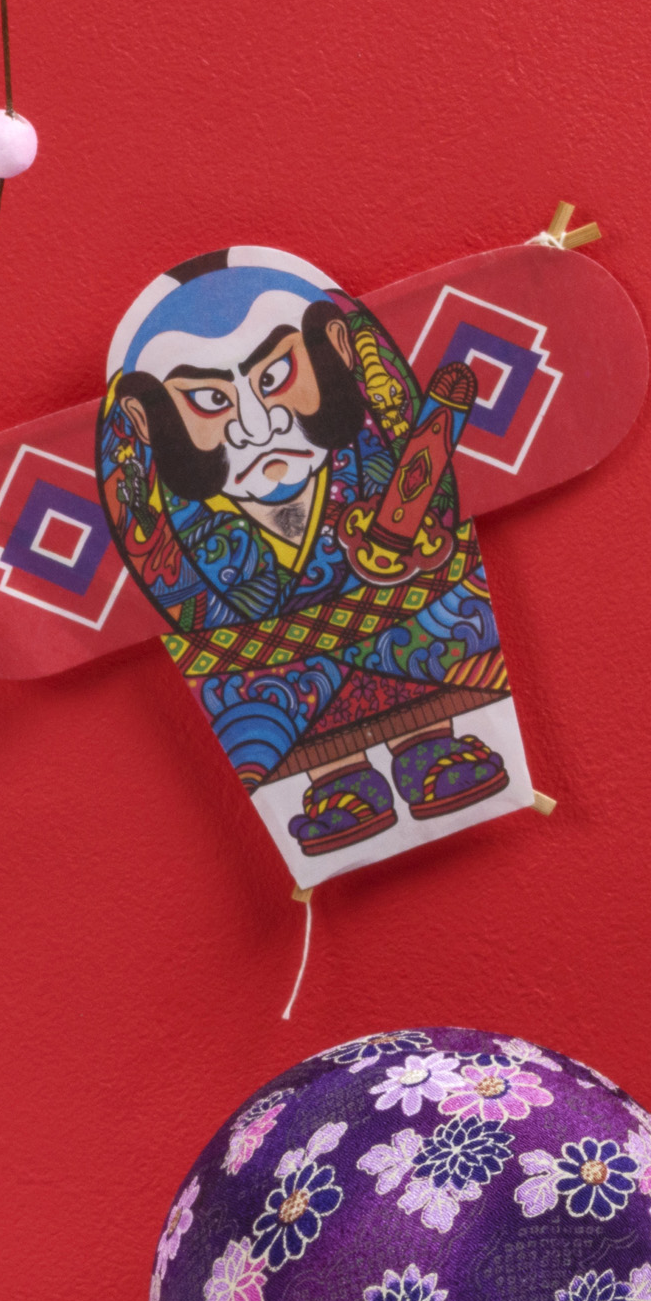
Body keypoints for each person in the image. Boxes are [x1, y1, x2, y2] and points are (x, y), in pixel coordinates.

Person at [95, 247, 515, 862]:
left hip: (410, 638)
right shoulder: (173, 514)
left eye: (274, 378)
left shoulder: (376, 450)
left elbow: (435, 502)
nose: (257, 426)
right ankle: (335, 780)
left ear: (338, 348)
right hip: (280, 686)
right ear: (143, 416)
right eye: (209, 400)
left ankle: (430, 744)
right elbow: (171, 585)